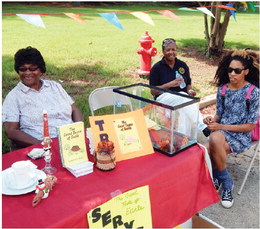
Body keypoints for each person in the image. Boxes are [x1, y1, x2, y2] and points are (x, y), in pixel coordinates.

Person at [203, 49, 259, 208]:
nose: (232, 73)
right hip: (222, 132)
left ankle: (218, 178)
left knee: (210, 147)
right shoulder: (222, 89)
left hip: (241, 134)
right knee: (213, 140)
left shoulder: (253, 92)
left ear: (246, 72)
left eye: (237, 70)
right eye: (230, 69)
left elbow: (250, 126)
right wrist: (211, 120)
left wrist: (220, 126)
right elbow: (219, 114)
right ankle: (226, 182)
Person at [2, 46, 83, 150]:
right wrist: (44, 145)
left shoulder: (54, 86)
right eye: (22, 69)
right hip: (41, 147)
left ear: (41, 69)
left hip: (71, 141)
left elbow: (75, 110)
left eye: (33, 68)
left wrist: (79, 132)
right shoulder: (14, 97)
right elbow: (11, 131)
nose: (27, 73)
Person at [149, 38, 211, 137]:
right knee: (184, 97)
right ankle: (202, 126)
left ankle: (183, 139)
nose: (171, 52)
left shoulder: (182, 65)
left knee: (184, 107)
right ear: (163, 52)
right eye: (168, 50)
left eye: (173, 49)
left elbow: (188, 83)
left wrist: (190, 90)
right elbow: (153, 91)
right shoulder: (157, 68)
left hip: (182, 98)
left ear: (176, 50)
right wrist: (169, 84)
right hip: (163, 98)